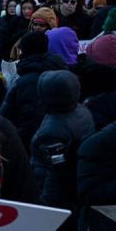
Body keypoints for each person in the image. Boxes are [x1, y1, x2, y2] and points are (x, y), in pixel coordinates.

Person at [31, 70, 94, 218]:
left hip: (54, 194)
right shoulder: (81, 110)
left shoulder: (52, 131)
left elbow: (55, 174)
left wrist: (46, 205)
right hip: (74, 186)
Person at [0, 31, 67, 152]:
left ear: (27, 50)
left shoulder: (28, 81)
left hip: (29, 143)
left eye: (21, 49)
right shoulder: (57, 68)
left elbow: (27, 118)